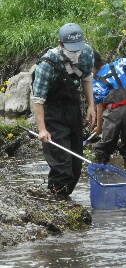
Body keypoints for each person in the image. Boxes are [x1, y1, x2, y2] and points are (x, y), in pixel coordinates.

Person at [31, 22, 96, 199]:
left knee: (76, 162)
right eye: (71, 50)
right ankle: (57, 199)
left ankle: (64, 197)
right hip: (51, 110)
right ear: (60, 44)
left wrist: (91, 105)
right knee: (62, 163)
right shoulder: (47, 64)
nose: (76, 54)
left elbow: (88, 77)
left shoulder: (87, 53)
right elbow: (38, 100)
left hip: (72, 106)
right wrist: (42, 129)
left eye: (78, 49)